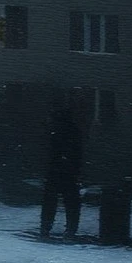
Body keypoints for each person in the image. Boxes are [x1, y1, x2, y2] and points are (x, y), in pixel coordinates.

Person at [40, 99, 83, 239]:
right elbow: (77, 153)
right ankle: (70, 228)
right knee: (70, 202)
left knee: (51, 201)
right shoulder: (73, 131)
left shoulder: (56, 132)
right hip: (68, 171)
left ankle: (46, 227)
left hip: (57, 171)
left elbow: (51, 152)